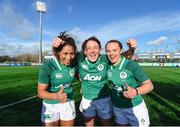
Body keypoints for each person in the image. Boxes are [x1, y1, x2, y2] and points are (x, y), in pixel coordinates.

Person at [52, 35, 137, 126]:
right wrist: (55, 45)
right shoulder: (79, 59)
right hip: (87, 100)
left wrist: (132, 48)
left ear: (100, 49)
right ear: (85, 51)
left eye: (95, 48)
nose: (92, 51)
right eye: (89, 48)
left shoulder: (106, 59)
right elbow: (63, 54)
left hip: (104, 99)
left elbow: (123, 56)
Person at [105, 39, 154, 126]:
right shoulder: (108, 65)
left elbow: (149, 85)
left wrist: (135, 91)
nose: (111, 53)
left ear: (121, 51)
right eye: (108, 51)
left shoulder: (131, 65)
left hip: (135, 107)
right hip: (117, 108)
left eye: (114, 50)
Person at [38, 32, 77, 126]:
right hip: (50, 105)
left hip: (68, 102)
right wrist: (55, 96)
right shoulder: (48, 66)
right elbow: (40, 92)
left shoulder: (74, 62)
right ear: (58, 53)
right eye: (65, 53)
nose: (69, 57)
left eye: (72, 53)